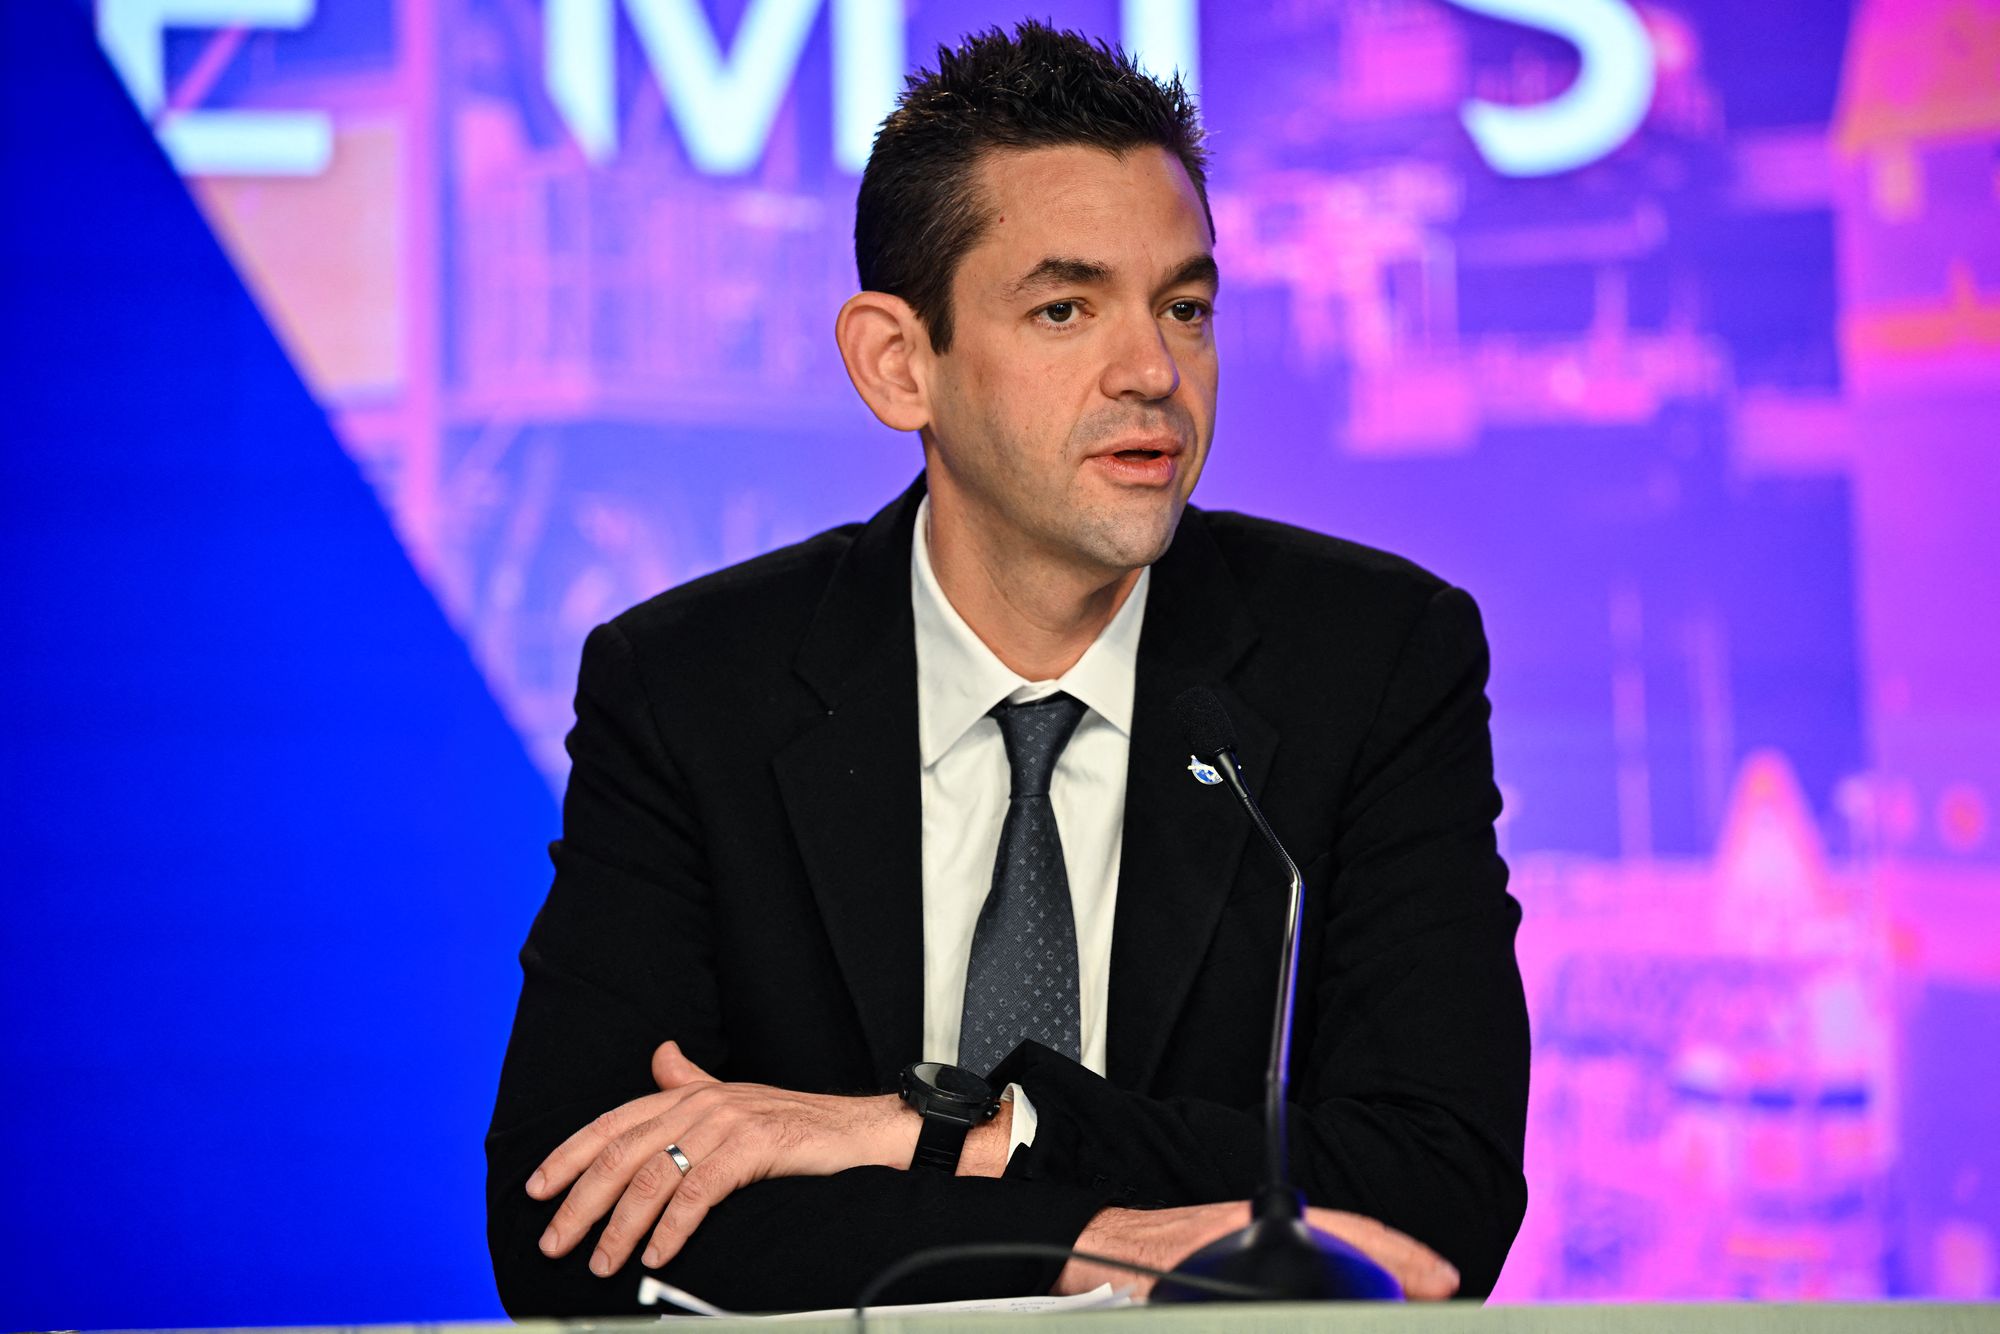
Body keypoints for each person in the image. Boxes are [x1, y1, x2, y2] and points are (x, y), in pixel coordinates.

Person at [486, 20, 1528, 1314]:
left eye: (1186, 307)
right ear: (896, 362)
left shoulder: (1370, 660)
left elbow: (1437, 1198)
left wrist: (955, 1131)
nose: (1154, 372)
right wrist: (1097, 1248)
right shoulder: (692, 688)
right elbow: (572, 1218)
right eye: (1064, 307)